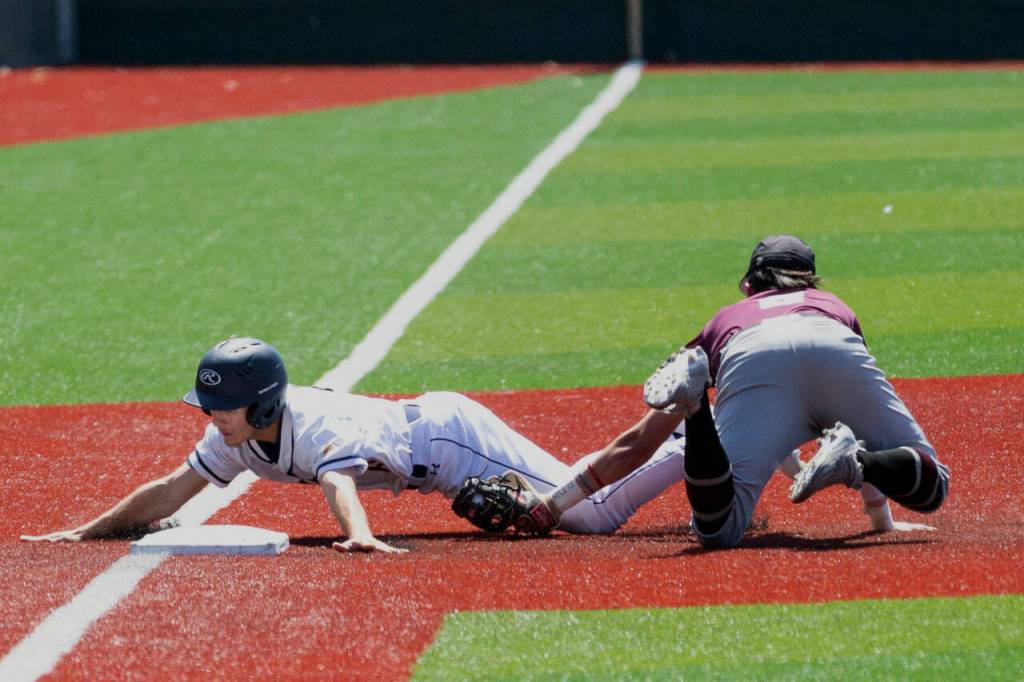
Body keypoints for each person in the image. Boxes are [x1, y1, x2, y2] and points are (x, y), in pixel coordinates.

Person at [21, 337, 689, 553]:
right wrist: (86, 530)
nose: (213, 417)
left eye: (223, 406)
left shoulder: (311, 424)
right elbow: (173, 489)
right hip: (432, 458)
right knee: (575, 512)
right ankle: (691, 434)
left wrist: (359, 536)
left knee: (589, 518)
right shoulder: (234, 434)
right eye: (210, 405)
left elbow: (338, 482)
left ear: (261, 404)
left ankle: (689, 433)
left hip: (455, 439)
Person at [521, 235, 949, 547]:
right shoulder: (836, 307)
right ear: (810, 282)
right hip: (830, 340)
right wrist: (880, 521)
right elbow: (861, 417)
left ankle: (696, 412)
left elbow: (639, 444)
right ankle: (856, 464)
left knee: (718, 528)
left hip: (750, 353)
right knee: (933, 483)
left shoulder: (727, 318)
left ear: (749, 284)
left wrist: (555, 504)